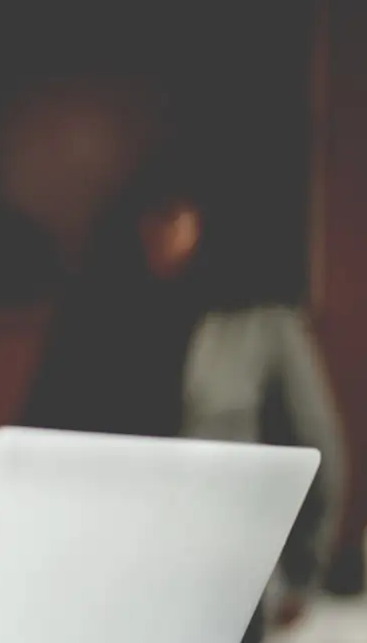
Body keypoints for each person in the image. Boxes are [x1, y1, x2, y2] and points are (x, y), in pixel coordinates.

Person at [19, 151, 347, 643]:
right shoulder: (91, 312)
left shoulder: (260, 319)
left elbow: (318, 445)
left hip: (223, 569)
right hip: (111, 565)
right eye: (148, 218)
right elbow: (39, 438)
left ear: (204, 221)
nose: (158, 234)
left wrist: (304, 571)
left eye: (173, 217)